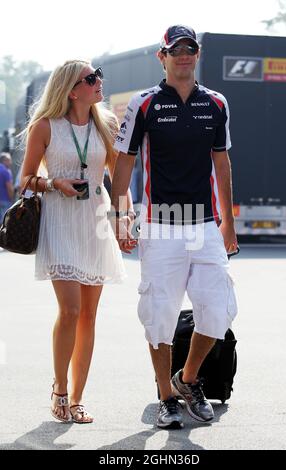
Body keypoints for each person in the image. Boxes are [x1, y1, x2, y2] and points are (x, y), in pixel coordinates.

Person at [111, 25, 238, 429]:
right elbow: (124, 164)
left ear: (197, 54)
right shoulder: (144, 103)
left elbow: (222, 164)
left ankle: (187, 380)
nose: (183, 55)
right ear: (161, 57)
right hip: (159, 226)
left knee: (218, 311)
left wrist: (229, 225)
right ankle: (165, 396)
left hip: (204, 226)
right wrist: (119, 217)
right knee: (160, 315)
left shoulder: (216, 103)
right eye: (175, 50)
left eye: (190, 49)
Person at [21, 60, 133, 424]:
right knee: (69, 311)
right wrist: (55, 184)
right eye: (90, 78)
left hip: (96, 221)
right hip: (60, 220)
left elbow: (119, 180)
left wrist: (124, 220)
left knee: (88, 315)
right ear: (71, 90)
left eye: (98, 74)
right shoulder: (45, 127)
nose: (99, 81)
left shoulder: (107, 126)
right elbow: (23, 180)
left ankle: (79, 398)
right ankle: (60, 390)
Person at [0, 152, 14, 223]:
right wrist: (12, 199)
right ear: (4, 160)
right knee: (4, 222)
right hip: (5, 201)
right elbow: (9, 187)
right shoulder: (6, 171)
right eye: (9, 160)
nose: (10, 163)